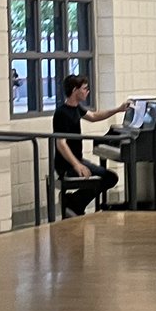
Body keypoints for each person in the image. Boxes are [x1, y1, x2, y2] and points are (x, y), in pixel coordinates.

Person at [52, 76, 128, 217]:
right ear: (75, 90)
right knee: (108, 178)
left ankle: (73, 202)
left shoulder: (76, 108)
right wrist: (77, 165)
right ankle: (74, 203)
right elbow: (61, 144)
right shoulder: (61, 113)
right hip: (66, 165)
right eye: (85, 88)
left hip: (77, 160)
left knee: (110, 177)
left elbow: (93, 116)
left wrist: (118, 109)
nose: (88, 91)